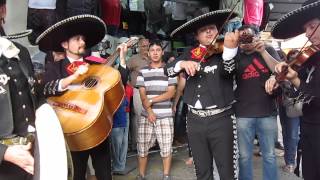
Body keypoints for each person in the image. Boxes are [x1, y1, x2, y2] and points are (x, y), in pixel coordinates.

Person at [164, 10, 239, 180]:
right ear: (197, 36)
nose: (209, 32)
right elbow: (167, 70)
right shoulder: (191, 53)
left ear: (218, 31)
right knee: (202, 171)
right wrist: (183, 63)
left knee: (227, 171)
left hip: (221, 119)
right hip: (194, 120)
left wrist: (229, 51)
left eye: (212, 28)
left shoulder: (226, 51)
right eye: (203, 30)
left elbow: (229, 71)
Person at [37, 15, 112, 180]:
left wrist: (120, 59)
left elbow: (115, 80)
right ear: (65, 44)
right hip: (72, 130)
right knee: (76, 174)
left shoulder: (96, 66)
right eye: (77, 39)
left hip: (97, 125)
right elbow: (46, 90)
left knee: (105, 173)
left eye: (83, 39)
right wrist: (73, 77)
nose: (82, 42)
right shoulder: (54, 67)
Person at [271, 0, 320, 179]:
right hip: (308, 127)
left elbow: (314, 93)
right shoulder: (312, 57)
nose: (307, 33)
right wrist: (277, 76)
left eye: (312, 26)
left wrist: (295, 79)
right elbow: (292, 74)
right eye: (305, 28)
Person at [225, 24, 281, 180]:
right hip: (243, 112)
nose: (245, 41)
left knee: (269, 155)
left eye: (248, 37)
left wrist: (262, 51)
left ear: (257, 36)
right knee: (243, 156)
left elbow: (280, 71)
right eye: (241, 38)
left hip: (267, 111)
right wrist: (232, 47)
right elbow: (225, 76)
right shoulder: (236, 55)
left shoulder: (268, 50)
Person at [0, 0, 42, 179]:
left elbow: (36, 99)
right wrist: (4, 152)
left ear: (3, 10)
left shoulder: (22, 53)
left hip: (33, 157)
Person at [136, 40, 177, 180]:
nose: (154, 53)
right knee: (142, 147)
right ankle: (141, 175)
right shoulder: (142, 72)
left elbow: (171, 93)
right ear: (148, 53)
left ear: (162, 52)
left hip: (165, 115)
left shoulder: (169, 70)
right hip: (147, 115)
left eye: (157, 50)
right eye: (152, 50)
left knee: (166, 147)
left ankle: (166, 176)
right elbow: (142, 94)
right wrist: (150, 112)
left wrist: (152, 100)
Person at [127, 38, 150, 151]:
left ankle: (149, 142)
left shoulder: (154, 56)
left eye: (147, 46)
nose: (146, 48)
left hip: (151, 91)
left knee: (150, 115)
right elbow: (124, 71)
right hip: (137, 90)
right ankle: (136, 144)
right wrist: (129, 85)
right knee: (138, 116)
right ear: (139, 47)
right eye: (143, 46)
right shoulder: (134, 59)